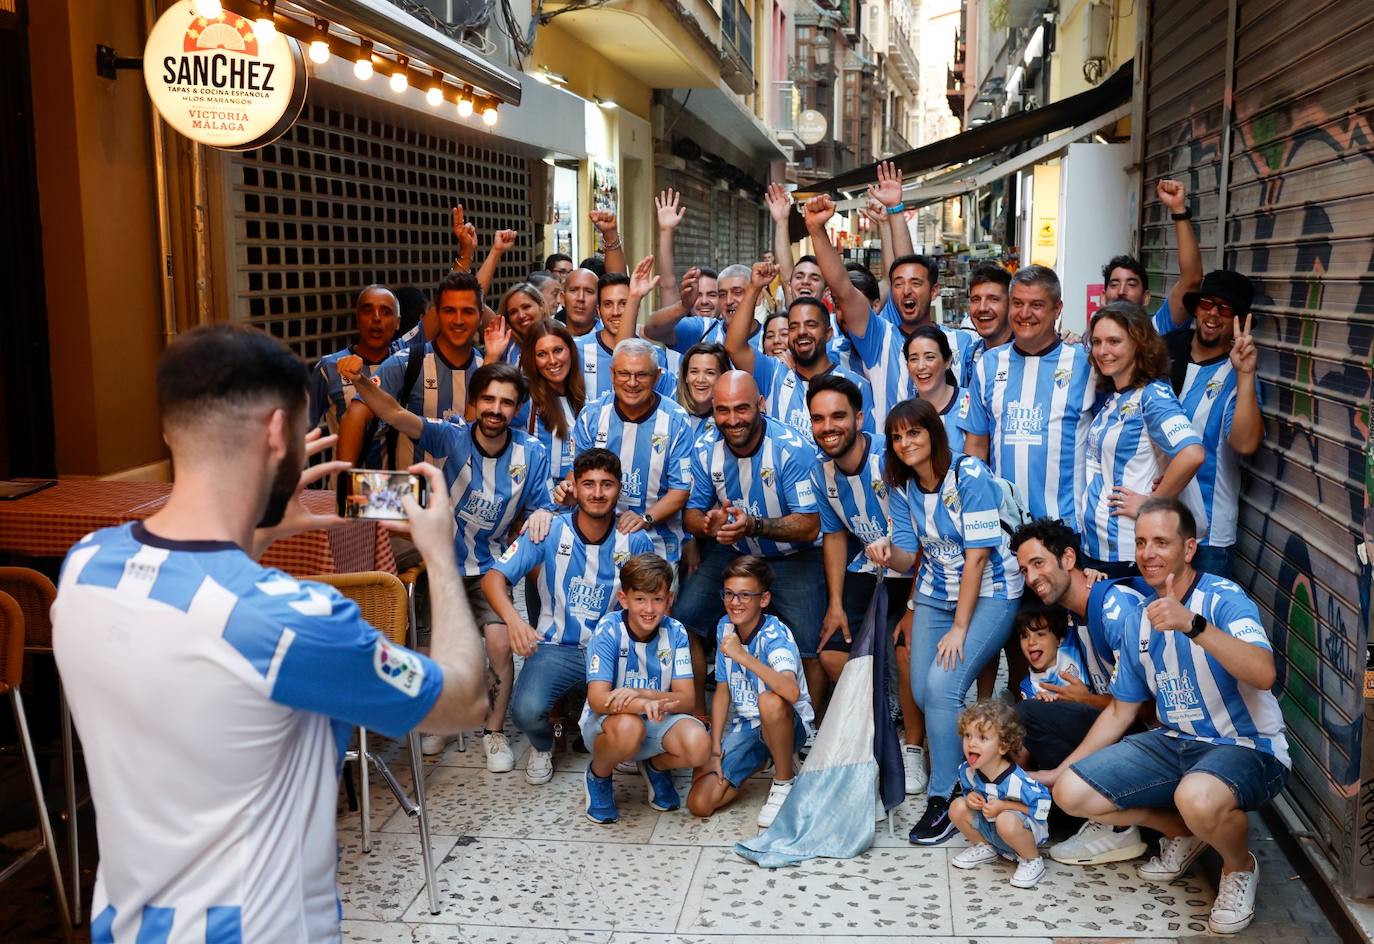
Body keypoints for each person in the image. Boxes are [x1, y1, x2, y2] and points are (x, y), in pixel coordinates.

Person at [51, 325, 488, 942]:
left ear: (171, 428)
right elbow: (463, 699)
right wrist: (439, 552)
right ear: (280, 435)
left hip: (127, 922)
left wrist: (258, 530)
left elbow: (197, 603)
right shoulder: (295, 617)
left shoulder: (85, 567)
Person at [1040, 498, 1288, 935]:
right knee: (1072, 793)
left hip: (1247, 747)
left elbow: (1265, 673)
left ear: (1189, 549)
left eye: (1161, 542)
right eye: (1140, 543)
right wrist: (1060, 770)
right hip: (1175, 743)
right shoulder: (1139, 617)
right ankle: (1186, 833)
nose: (1148, 553)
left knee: (1197, 796)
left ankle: (1238, 866)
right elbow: (1120, 710)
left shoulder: (1223, 599)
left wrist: (1193, 624)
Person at [344, 361, 556, 768]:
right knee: (427, 649)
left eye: (507, 403)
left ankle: (493, 733)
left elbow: (543, 507)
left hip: (490, 568)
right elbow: (392, 413)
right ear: (474, 403)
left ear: (516, 409)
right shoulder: (451, 437)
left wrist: (543, 514)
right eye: (489, 399)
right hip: (440, 563)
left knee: (498, 643)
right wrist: (357, 382)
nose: (497, 409)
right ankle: (440, 723)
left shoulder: (532, 452)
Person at [865, 398, 1023, 845]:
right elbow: (907, 554)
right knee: (922, 690)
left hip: (990, 590)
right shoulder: (901, 486)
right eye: (896, 437)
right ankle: (976, 759)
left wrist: (960, 626)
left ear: (934, 432)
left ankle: (947, 794)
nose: (904, 443)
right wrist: (882, 551)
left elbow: (976, 560)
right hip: (935, 592)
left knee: (942, 688)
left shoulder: (969, 474)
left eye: (913, 432)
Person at [482, 449, 655, 785]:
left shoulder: (634, 538)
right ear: (573, 486)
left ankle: (618, 743)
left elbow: (651, 602)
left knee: (639, 706)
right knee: (525, 712)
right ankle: (545, 744)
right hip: (556, 647)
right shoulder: (547, 529)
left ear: (619, 489)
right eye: (588, 484)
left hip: (613, 650)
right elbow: (493, 579)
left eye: (607, 484)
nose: (598, 493)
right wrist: (515, 621)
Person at [675, 372, 823, 715]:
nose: (732, 419)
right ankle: (697, 715)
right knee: (684, 621)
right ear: (712, 410)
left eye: (741, 408)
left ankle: (808, 726)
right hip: (735, 550)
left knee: (810, 644)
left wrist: (753, 525)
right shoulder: (704, 448)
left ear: (760, 404)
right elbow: (691, 516)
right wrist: (711, 526)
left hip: (795, 556)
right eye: (722, 410)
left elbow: (809, 525)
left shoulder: (791, 449)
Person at [1008, 518, 1152, 866]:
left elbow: (1148, 710)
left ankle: (1117, 824)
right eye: (1024, 570)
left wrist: (1083, 699)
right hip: (1120, 730)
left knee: (1030, 717)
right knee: (1032, 716)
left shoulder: (1115, 611)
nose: (1031, 578)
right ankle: (1085, 813)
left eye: (1038, 563)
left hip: (1152, 742)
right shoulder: (1074, 614)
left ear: (1069, 559)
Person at [807, 375, 924, 792]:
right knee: (833, 653)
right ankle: (881, 729)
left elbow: (928, 537)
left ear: (859, 417)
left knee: (905, 649)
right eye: (818, 419)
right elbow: (835, 535)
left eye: (838, 415)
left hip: (920, 571)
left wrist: (911, 609)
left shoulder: (889, 459)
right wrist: (836, 603)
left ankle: (913, 751)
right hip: (870, 570)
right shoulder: (821, 472)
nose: (828, 426)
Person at [801, 193, 972, 420]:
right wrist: (816, 229)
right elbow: (842, 288)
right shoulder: (880, 338)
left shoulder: (963, 342)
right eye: (898, 284)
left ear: (934, 291)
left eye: (916, 283)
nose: (906, 290)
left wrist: (894, 210)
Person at [959, 265, 1097, 530]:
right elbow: (976, 446)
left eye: (1036, 305)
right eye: (1018, 303)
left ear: (1057, 309)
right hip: (1005, 528)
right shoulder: (988, 365)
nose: (1025, 314)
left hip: (1067, 529)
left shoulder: (1085, 364)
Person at [685, 556, 816, 828]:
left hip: (789, 724)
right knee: (700, 804)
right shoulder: (725, 627)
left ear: (764, 599)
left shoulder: (775, 636)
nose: (735, 603)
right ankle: (760, 757)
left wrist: (742, 656)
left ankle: (783, 781)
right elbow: (722, 689)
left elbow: (790, 691)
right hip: (747, 727)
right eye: (729, 594)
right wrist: (715, 747)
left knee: (769, 701)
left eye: (745, 595)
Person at [581, 553, 710, 823]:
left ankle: (654, 766)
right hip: (608, 725)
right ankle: (599, 774)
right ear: (623, 599)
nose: (649, 609)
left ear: (670, 600)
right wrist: (642, 706)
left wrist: (646, 695)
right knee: (630, 727)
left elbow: (687, 700)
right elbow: (597, 700)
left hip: (656, 721)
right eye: (640, 599)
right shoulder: (608, 630)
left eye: (657, 599)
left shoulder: (675, 632)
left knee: (699, 744)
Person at [1079, 301, 1204, 575]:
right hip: (1097, 549)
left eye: (1114, 341)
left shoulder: (1153, 395)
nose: (1103, 351)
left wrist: (1151, 503)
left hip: (1128, 553)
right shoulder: (1115, 395)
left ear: (1139, 344)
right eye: (1097, 342)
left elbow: (1192, 453)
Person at [1164, 270, 1263, 579]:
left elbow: (1245, 444)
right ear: (1195, 308)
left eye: (1226, 308)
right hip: (1155, 523)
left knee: (1197, 624)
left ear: (1239, 320)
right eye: (1207, 303)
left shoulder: (1238, 375)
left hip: (1207, 536)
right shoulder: (1165, 354)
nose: (1214, 314)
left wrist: (1245, 374)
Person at [338, 270, 484, 469]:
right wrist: (340, 487)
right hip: (411, 496)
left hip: (468, 498)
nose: (458, 320)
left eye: (467, 311)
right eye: (449, 310)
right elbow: (355, 416)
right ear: (437, 313)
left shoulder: (485, 367)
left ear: (481, 316)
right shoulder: (405, 363)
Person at [566, 338, 694, 564]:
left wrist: (644, 519)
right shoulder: (592, 415)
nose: (632, 383)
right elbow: (575, 476)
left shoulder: (676, 420)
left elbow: (680, 490)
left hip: (658, 543)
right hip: (597, 536)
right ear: (612, 374)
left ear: (657, 377)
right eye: (624, 374)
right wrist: (567, 490)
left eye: (641, 375)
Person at [728, 264, 876, 445]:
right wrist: (754, 287)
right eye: (793, 326)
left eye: (811, 325)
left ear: (828, 333)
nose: (802, 332)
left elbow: (867, 446)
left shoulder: (856, 384)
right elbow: (734, 346)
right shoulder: (773, 375)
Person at [947, 700, 1053, 889]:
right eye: (967, 736)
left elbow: (1044, 807)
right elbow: (967, 790)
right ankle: (985, 847)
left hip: (1020, 831)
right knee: (957, 806)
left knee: (1005, 819)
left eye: (982, 738)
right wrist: (971, 796)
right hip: (993, 829)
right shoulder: (968, 771)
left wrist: (1006, 806)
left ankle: (1032, 860)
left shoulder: (1016, 781)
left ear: (1003, 746)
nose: (971, 743)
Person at [1099, 180, 1202, 336]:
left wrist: (1178, 210)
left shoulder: (1157, 330)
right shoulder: (1090, 343)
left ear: (1146, 297)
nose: (1121, 291)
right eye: (1114, 284)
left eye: (1131, 284)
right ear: (1103, 297)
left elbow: (1192, 279)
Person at [309, 285, 399, 453]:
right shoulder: (328, 367)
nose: (376, 318)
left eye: (386, 312)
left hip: (399, 479)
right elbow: (304, 428)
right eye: (367, 311)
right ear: (357, 318)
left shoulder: (407, 361)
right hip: (347, 477)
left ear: (398, 322)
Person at [575, 264, 677, 401]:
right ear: (599, 311)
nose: (616, 312)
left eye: (624, 303)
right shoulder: (576, 349)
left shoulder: (655, 355)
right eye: (608, 304)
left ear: (636, 307)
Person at [521, 319, 587, 499]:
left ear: (571, 351)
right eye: (542, 354)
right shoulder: (525, 400)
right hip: (537, 507)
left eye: (558, 350)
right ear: (532, 359)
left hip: (577, 505)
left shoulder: (585, 394)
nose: (552, 361)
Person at [904, 324, 964, 453]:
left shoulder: (969, 403)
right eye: (913, 359)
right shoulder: (903, 413)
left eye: (929, 357)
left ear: (947, 361)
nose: (921, 366)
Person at [1014, 601, 1089, 702]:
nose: (1031, 642)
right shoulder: (1029, 686)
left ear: (1059, 640)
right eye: (1024, 636)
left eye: (1040, 634)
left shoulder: (1071, 643)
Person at [962, 264, 1013, 375]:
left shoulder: (1028, 355)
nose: (982, 308)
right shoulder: (969, 357)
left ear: (1011, 304)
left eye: (993, 299)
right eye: (976, 299)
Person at [677, 341, 728, 439]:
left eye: (710, 373)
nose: (700, 380)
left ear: (722, 376)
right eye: (694, 372)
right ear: (686, 376)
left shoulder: (728, 421)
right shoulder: (672, 411)